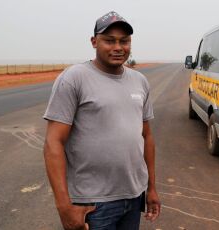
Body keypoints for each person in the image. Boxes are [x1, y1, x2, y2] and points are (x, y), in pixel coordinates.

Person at [43, 11, 160, 230]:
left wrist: (151, 188)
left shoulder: (139, 81)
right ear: (94, 42)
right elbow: (53, 143)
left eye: (124, 41)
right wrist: (64, 206)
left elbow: (147, 136)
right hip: (93, 203)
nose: (118, 47)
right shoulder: (74, 78)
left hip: (134, 197)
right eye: (109, 40)